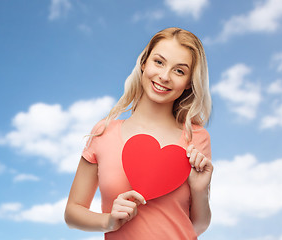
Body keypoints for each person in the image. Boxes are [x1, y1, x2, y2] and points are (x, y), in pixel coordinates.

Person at [64, 27, 213, 239]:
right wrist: (109, 221)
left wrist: (200, 190)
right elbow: (72, 212)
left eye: (179, 71)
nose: (164, 76)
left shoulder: (196, 137)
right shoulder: (104, 132)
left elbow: (198, 225)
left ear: (189, 83)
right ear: (144, 63)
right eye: (159, 62)